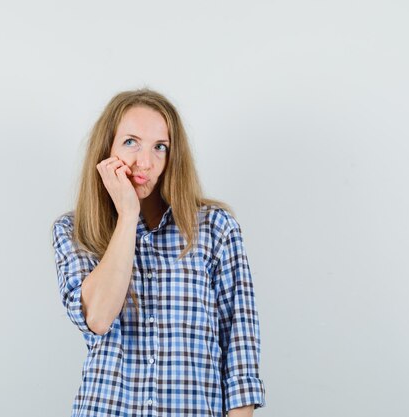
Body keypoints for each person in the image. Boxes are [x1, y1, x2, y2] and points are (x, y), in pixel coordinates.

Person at [51, 88, 266, 417]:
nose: (144, 162)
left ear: (172, 157)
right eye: (130, 142)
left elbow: (240, 354)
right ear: (107, 147)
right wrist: (127, 216)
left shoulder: (216, 230)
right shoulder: (74, 231)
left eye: (160, 147)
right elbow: (98, 317)